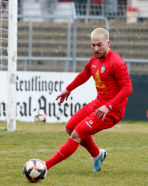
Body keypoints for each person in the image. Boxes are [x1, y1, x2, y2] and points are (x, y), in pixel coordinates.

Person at [41, 28, 133, 173]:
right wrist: (69, 89)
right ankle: (97, 155)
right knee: (70, 127)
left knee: (76, 134)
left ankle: (45, 166)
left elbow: (127, 89)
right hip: (98, 104)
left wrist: (108, 107)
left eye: (99, 45)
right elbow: (85, 74)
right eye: (93, 45)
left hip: (112, 110)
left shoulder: (117, 63)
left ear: (108, 43)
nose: (96, 49)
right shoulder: (94, 60)